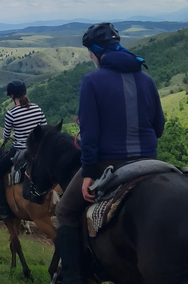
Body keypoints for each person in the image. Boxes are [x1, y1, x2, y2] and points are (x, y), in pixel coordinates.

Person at [56, 23, 165, 284]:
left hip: (110, 162)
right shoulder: (146, 78)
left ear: (95, 52)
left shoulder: (92, 80)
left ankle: (72, 278)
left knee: (65, 211)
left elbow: (91, 137)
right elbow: (158, 127)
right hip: (150, 160)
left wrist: (89, 173)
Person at [0, 80, 47, 220]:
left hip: (21, 151)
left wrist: (5, 140)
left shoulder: (11, 114)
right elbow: (45, 129)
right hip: (39, 150)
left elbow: (6, 136)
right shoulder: (37, 109)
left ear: (12, 96)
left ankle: (3, 209)